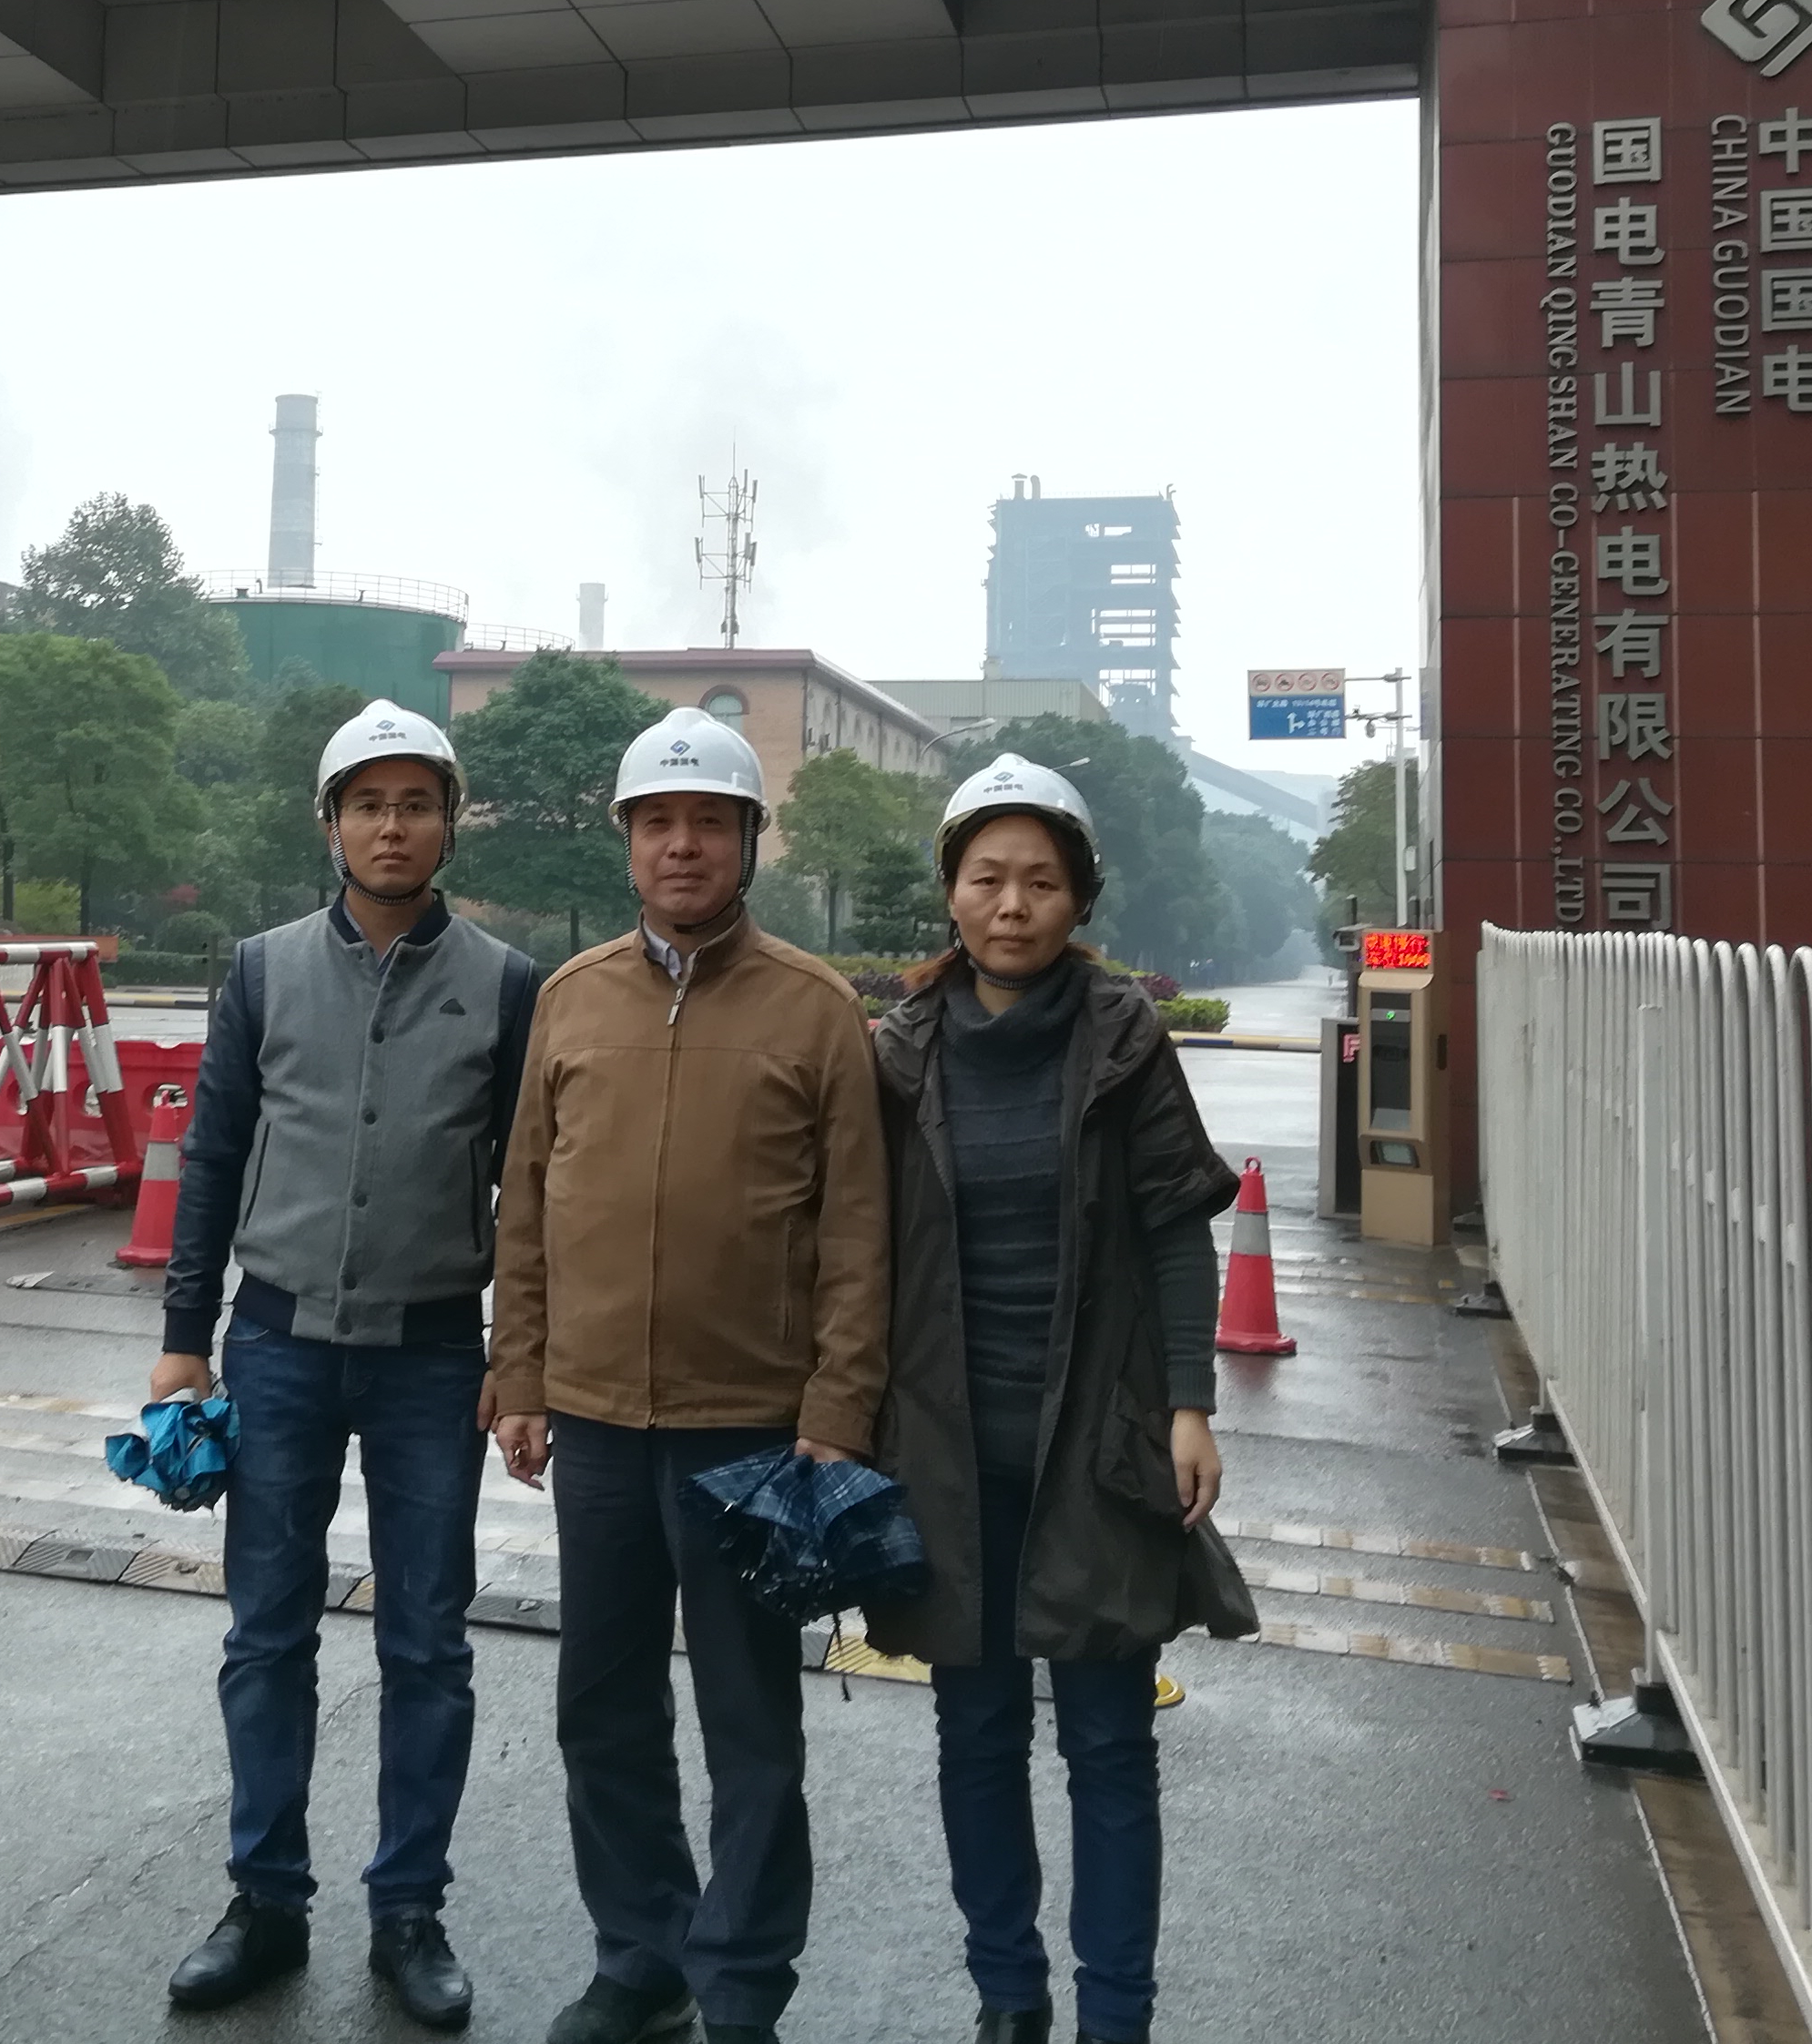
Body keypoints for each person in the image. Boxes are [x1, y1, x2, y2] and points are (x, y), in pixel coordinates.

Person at [488, 707, 889, 2044]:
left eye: (708, 822)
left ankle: (743, 1983)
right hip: (597, 1421)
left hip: (752, 1430)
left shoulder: (816, 1011)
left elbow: (859, 1235)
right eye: (657, 822)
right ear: (626, 842)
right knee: (602, 1707)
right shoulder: (571, 999)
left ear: (748, 841)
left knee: (750, 1724)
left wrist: (837, 1411)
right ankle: (641, 1953)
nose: (681, 846)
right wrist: (521, 1374)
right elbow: (527, 1205)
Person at [152, 697, 539, 2031]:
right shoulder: (262, 970)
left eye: (415, 804)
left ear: (448, 823)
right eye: (367, 804)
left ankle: (408, 1911)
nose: (392, 827)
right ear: (329, 822)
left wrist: (520, 1351)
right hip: (277, 1345)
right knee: (267, 1631)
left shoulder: (506, 984)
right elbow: (211, 1155)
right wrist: (182, 1343)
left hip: (433, 1353)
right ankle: (265, 1899)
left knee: (429, 1638)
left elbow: (533, 1188)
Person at [860, 757, 1247, 2044]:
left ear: (1080, 898)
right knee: (974, 1736)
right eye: (988, 879)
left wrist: (1188, 1401)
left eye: (1040, 881)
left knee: (1107, 1743)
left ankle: (1115, 2014)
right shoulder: (900, 1051)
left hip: (1096, 1438)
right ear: (952, 892)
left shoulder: (1123, 1041)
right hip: (947, 1447)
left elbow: (1178, 1227)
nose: (1012, 905)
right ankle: (1008, 1996)